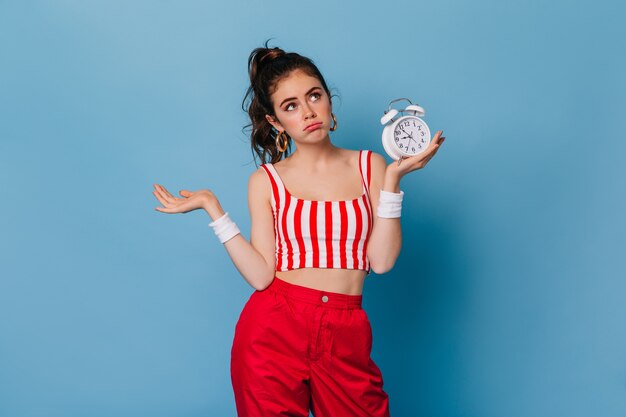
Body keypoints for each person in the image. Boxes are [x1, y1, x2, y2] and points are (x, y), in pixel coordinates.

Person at [152, 43, 445, 417]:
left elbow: (382, 261)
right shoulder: (266, 181)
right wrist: (215, 210)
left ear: (328, 101)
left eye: (314, 96)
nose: (307, 112)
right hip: (273, 331)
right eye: (290, 106)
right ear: (276, 122)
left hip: (345, 330)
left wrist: (394, 180)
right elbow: (261, 277)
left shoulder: (370, 166)